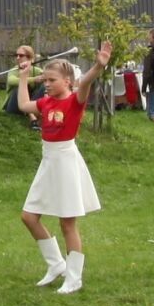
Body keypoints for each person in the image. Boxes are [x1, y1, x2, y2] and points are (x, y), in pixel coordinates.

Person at [11, 45, 106, 293]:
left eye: (52, 80)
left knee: (67, 224)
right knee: (28, 217)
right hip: (48, 161)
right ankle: (56, 265)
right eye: (45, 80)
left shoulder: (75, 101)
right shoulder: (46, 102)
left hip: (65, 162)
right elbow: (24, 105)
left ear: (67, 81)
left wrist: (98, 65)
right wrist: (23, 78)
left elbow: (86, 82)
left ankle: (74, 277)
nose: (47, 84)